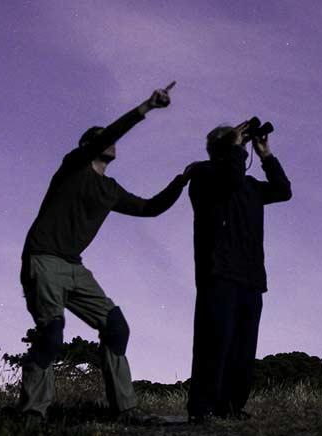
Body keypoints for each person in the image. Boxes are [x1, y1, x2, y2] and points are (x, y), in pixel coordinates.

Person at [18, 83, 194, 424]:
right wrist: (146, 107)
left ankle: (125, 411)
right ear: (87, 146)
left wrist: (180, 181)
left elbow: (150, 208)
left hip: (74, 267)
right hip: (43, 259)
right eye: (102, 138)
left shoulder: (110, 190)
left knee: (116, 327)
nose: (110, 142)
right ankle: (32, 414)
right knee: (51, 334)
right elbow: (106, 135)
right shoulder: (73, 166)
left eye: (110, 139)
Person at [186, 122, 292, 422]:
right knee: (213, 344)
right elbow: (230, 180)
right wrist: (234, 145)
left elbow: (284, 191)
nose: (242, 148)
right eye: (237, 144)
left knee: (243, 349)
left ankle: (230, 407)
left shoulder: (251, 187)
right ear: (225, 149)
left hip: (250, 277)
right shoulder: (204, 175)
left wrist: (266, 155)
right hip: (218, 273)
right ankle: (201, 408)